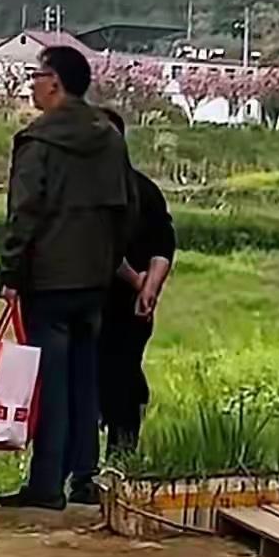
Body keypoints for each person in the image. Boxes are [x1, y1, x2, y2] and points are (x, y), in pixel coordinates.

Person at [0, 44, 132, 511]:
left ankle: (46, 483)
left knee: (51, 381)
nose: (31, 85)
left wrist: (11, 272)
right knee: (84, 378)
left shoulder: (38, 141)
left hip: (49, 280)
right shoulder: (109, 137)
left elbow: (24, 212)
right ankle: (85, 478)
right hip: (94, 280)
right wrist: (107, 262)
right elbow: (126, 208)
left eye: (35, 76)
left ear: (54, 82)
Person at [99, 109, 176, 456]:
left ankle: (119, 455)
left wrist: (148, 287)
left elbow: (162, 242)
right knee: (108, 376)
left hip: (122, 304)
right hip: (104, 299)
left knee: (122, 373)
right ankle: (98, 460)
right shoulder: (85, 188)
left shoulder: (139, 190)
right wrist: (141, 283)